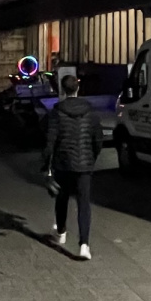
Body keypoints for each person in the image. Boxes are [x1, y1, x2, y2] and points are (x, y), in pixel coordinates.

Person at [42, 74, 104, 260]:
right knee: (84, 203)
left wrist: (46, 166)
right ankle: (84, 245)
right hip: (84, 165)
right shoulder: (90, 111)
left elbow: (50, 142)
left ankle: (61, 232)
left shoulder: (57, 112)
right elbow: (98, 138)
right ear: (78, 88)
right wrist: (92, 158)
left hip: (63, 163)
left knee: (62, 198)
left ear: (63, 90)